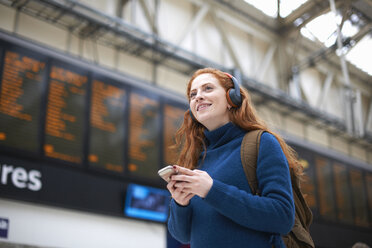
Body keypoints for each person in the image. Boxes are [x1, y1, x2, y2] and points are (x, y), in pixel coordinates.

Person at [167, 68, 302, 248]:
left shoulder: (261, 142)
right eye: (193, 94)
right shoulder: (198, 159)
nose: (198, 96)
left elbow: (283, 217)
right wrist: (180, 203)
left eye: (207, 88)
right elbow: (182, 235)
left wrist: (212, 190)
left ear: (232, 98)